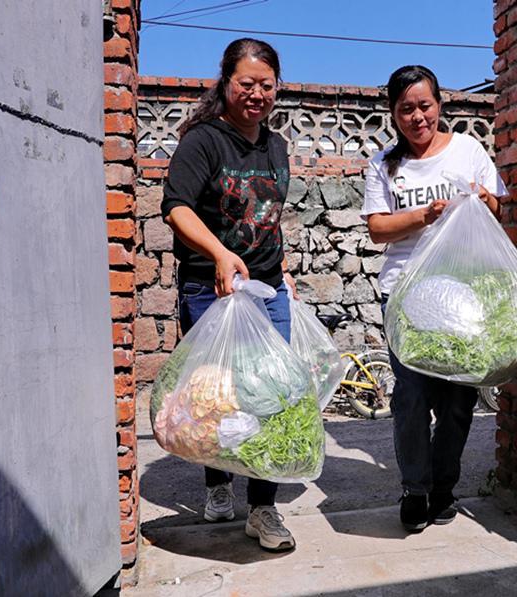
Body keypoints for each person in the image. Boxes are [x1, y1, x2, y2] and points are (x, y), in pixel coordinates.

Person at [160, 38, 297, 551]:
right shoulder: (204, 141)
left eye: (266, 84)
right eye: (246, 83)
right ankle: (218, 484)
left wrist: (283, 273)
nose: (256, 93)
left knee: (272, 396)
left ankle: (263, 507)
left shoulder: (277, 146)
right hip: (209, 287)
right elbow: (176, 207)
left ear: (277, 87)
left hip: (267, 288)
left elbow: (268, 220)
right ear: (226, 83)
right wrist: (219, 253)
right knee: (216, 397)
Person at [361, 65, 507, 532]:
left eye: (424, 106)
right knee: (411, 395)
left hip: (464, 294)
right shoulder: (385, 163)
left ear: (440, 105)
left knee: (459, 399)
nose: (417, 117)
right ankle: (415, 489)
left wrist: (485, 199)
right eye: (406, 109)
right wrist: (424, 215)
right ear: (393, 114)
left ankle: (444, 487)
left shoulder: (468, 149)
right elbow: (377, 228)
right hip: (404, 294)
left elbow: (499, 206)